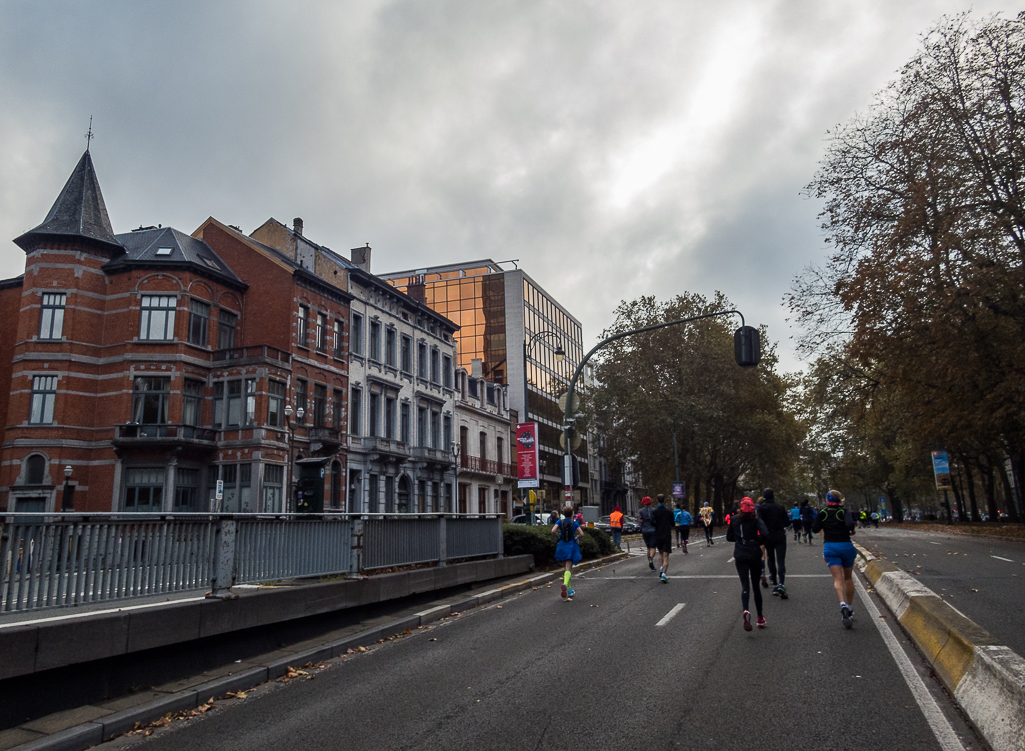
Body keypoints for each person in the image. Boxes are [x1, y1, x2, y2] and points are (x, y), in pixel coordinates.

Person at [812, 489, 858, 628]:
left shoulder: (823, 513)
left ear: (827, 500)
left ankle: (842, 604)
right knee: (848, 578)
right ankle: (849, 608)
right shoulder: (843, 512)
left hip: (830, 547)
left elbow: (814, 529)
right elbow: (850, 525)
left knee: (837, 580)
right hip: (846, 546)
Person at [727, 497, 769, 630]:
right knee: (756, 587)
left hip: (740, 553)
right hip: (754, 553)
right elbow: (765, 533)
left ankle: (745, 609)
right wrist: (757, 540)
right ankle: (760, 617)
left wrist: (739, 539)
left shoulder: (734, 520)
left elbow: (729, 537)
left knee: (745, 585)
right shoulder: (755, 520)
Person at [757, 488, 790, 599]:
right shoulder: (780, 507)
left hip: (768, 536)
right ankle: (782, 583)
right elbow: (787, 522)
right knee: (781, 560)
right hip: (780, 534)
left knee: (771, 559)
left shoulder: (761, 508)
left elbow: (759, 522)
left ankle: (775, 584)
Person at [552, 505, 584, 600]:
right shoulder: (574, 523)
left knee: (565, 568)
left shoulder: (559, 521)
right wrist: (576, 538)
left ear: (563, 513)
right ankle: (565, 584)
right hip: (571, 545)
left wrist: (557, 538)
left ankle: (569, 590)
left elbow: (553, 531)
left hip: (562, 545)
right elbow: (582, 534)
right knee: (568, 568)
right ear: (572, 514)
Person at [652, 495, 674, 583]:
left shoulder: (655, 512)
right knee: (666, 556)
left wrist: (657, 526)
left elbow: (651, 522)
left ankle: (661, 568)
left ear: (657, 500)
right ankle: (664, 574)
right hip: (666, 535)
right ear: (664, 500)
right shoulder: (669, 512)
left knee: (660, 553)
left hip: (658, 535)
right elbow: (673, 523)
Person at [639, 497, 658, 569]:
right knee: (653, 547)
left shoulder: (641, 511)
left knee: (648, 548)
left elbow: (639, 520)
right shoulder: (654, 510)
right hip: (653, 530)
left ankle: (650, 561)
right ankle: (651, 557)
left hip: (645, 530)